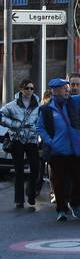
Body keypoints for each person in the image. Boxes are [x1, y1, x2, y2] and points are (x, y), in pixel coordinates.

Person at [37, 72, 80, 221]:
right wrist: (50, 141)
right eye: (64, 88)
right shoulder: (46, 110)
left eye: (67, 87)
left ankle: (75, 203)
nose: (67, 90)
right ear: (55, 91)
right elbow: (40, 128)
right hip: (58, 152)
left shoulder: (73, 101)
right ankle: (61, 210)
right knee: (59, 183)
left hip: (77, 150)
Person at [1, 79, 40, 209]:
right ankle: (19, 200)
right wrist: (15, 124)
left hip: (32, 140)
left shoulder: (37, 104)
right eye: (27, 88)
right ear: (21, 89)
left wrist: (36, 128)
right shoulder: (12, 105)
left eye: (32, 88)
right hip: (17, 139)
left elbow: (41, 121)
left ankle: (31, 193)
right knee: (19, 170)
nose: (29, 90)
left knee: (35, 167)